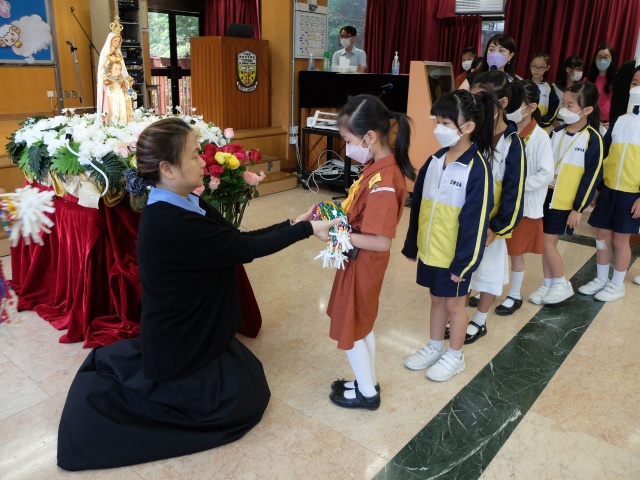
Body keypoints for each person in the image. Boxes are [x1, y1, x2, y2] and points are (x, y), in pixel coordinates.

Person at [56, 118, 339, 470]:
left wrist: (296, 223)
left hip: (190, 329)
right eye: (193, 155)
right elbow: (245, 250)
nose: (203, 161)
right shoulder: (170, 221)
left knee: (246, 380)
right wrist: (306, 230)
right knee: (241, 402)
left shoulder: (184, 202)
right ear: (167, 168)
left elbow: (237, 241)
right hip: (180, 341)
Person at [320, 94, 415, 409]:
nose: (347, 147)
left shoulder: (383, 182)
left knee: (352, 327)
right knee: (362, 324)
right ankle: (366, 381)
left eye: (348, 141)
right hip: (358, 260)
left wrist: (335, 233)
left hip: (363, 263)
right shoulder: (376, 167)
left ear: (370, 137)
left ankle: (367, 395)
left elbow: (380, 241)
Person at [402, 90, 494, 382]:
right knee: (436, 299)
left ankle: (455, 355)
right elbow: (418, 205)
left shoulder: (477, 169)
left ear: (468, 127)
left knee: (455, 304)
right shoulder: (434, 160)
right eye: (438, 121)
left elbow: (475, 222)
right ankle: (434, 346)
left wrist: (464, 264)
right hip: (432, 250)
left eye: (445, 123)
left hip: (456, 256)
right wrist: (412, 244)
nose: (438, 128)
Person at [463, 71, 526, 342]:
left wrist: (497, 227)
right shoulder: (472, 134)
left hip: (491, 225)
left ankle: (479, 320)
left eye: (480, 99)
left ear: (502, 102)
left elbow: (514, 191)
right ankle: (458, 314)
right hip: (466, 219)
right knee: (463, 270)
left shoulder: (513, 143)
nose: (474, 105)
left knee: (488, 273)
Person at [529, 82, 603, 305]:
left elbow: (592, 177)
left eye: (570, 105)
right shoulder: (556, 132)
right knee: (546, 243)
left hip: (565, 202)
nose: (564, 109)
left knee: (547, 243)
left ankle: (562, 283)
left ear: (587, 110)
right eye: (563, 103)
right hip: (546, 197)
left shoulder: (592, 139)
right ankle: (548, 283)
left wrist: (578, 208)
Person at [577, 66, 640, 301]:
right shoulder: (620, 121)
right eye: (635, 82)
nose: (637, 87)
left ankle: (617, 284)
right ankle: (601, 278)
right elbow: (606, 156)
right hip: (609, 189)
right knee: (602, 235)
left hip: (631, 193)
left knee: (621, 240)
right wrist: (598, 187)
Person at [495, 80, 554, 315]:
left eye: (516, 105)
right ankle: (491, 287)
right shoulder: (504, 131)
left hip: (525, 205)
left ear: (531, 108)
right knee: (496, 249)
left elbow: (545, 173)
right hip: (502, 203)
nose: (510, 110)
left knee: (516, 252)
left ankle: (514, 294)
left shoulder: (540, 137)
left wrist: (517, 187)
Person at [97, 20, 134, 124]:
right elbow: (102, 67)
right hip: (110, 81)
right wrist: (104, 75)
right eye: (115, 40)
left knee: (121, 100)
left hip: (119, 81)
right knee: (111, 102)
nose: (117, 43)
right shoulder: (105, 53)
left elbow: (123, 69)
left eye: (118, 41)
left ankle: (122, 120)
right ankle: (111, 121)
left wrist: (127, 77)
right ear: (110, 41)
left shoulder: (118, 54)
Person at [586, 45, 617, 133]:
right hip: (590, 122)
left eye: (606, 57)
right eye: (599, 57)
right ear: (595, 59)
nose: (602, 60)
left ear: (611, 59)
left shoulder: (617, 80)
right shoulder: (588, 80)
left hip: (609, 125)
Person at [551, 56, 585, 127]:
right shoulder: (555, 87)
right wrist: (558, 127)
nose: (580, 72)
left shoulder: (580, 89)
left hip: (573, 125)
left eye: (581, 70)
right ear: (568, 69)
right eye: (578, 69)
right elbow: (550, 110)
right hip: (554, 125)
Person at [528, 53, 560, 130]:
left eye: (541, 67)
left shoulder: (549, 88)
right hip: (524, 126)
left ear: (547, 68)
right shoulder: (523, 85)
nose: (537, 70)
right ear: (530, 66)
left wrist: (542, 121)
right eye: (534, 66)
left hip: (541, 128)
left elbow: (554, 109)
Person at [102, 60, 134, 125]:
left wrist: (129, 85)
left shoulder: (122, 80)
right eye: (116, 68)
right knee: (114, 113)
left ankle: (123, 123)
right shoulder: (108, 80)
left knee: (122, 113)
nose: (118, 70)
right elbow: (107, 92)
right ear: (110, 69)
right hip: (112, 101)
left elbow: (128, 92)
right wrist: (113, 87)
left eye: (119, 69)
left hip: (121, 99)